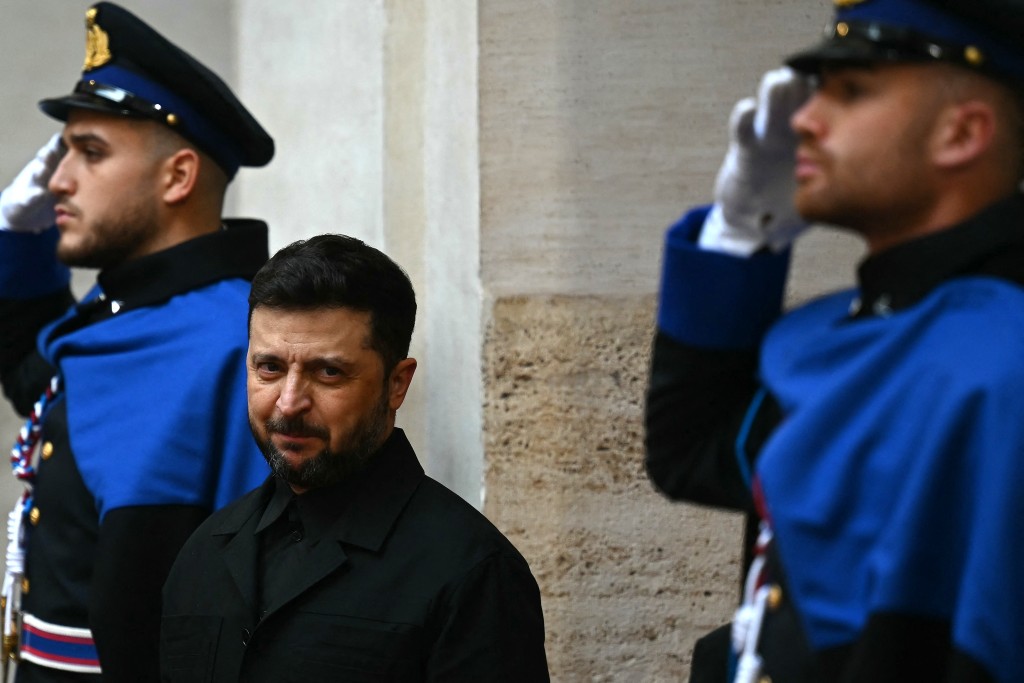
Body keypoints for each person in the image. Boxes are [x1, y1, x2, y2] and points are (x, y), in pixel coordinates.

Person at [644, 0, 1024, 681]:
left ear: (962, 133)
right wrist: (740, 232)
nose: (803, 120)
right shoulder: (870, 324)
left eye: (851, 92)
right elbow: (694, 452)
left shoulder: (1002, 361)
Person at [0, 3, 274, 681]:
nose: (58, 180)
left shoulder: (235, 341)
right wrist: (19, 245)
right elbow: (38, 380)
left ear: (177, 176)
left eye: (90, 153)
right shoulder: (125, 314)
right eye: (64, 151)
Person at [160, 234, 550, 682]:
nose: (289, 402)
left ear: (397, 384)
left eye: (329, 372)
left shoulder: (472, 572)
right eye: (269, 368)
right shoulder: (203, 553)